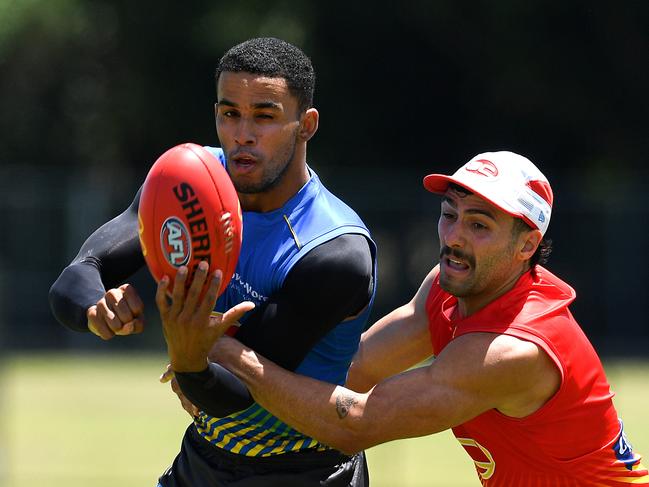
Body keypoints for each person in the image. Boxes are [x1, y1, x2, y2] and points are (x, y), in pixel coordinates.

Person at [165, 151, 649, 485]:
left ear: (527, 245)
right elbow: (351, 370)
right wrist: (210, 376)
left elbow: (355, 422)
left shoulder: (514, 351)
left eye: (479, 224)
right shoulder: (446, 288)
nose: (454, 236)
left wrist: (223, 350)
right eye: (450, 213)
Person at [49, 37, 377, 486]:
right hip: (204, 458)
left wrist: (190, 362)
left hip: (307, 469)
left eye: (264, 116)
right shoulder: (187, 181)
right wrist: (96, 311)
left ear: (307, 124)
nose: (242, 134)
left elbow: (236, 392)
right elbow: (76, 278)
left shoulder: (334, 251)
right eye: (230, 114)